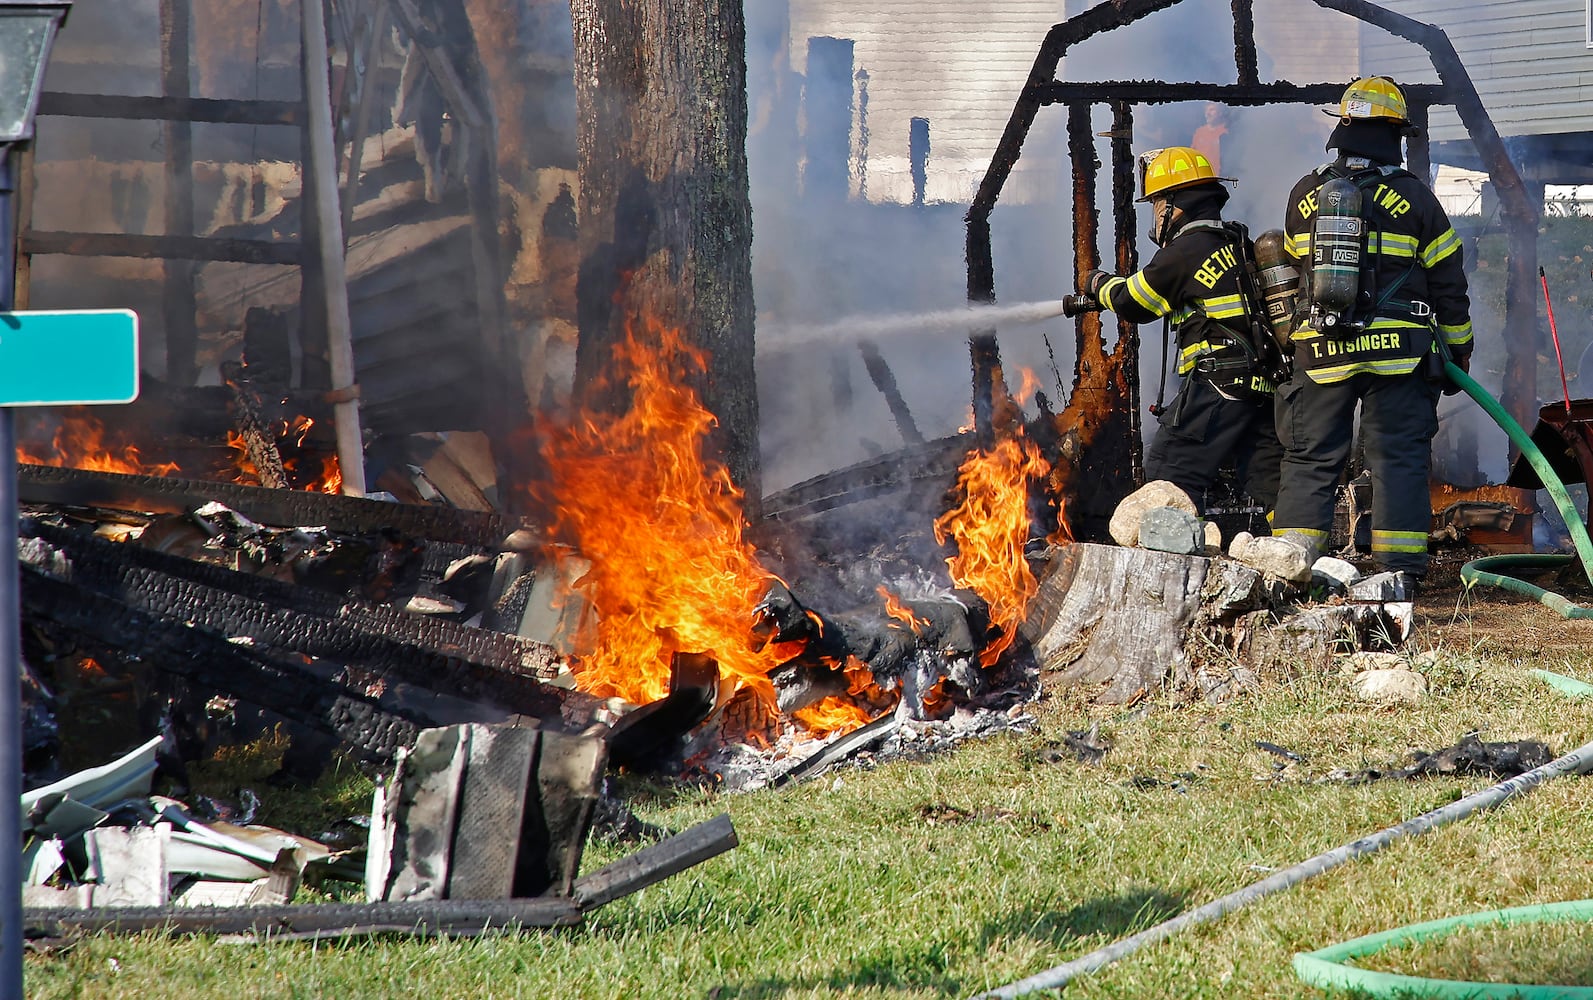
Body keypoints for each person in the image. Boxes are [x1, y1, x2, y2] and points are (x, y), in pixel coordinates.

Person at [1270, 76, 1472, 587]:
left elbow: (1296, 273)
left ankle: (1295, 571)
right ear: (1394, 135)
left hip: (1323, 347)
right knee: (1397, 459)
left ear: (1343, 128)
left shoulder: (1306, 193)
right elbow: (1448, 282)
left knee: (1311, 457)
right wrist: (1459, 351)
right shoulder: (1417, 199)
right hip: (1398, 355)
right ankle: (1398, 574)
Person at [1079, 145, 1287, 516]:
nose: (1156, 214)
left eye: (1157, 203)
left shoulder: (1186, 249)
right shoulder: (1236, 242)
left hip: (1218, 385)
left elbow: (1133, 301)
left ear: (1174, 202)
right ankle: (1293, 556)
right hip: (1263, 388)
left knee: (1168, 474)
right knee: (1268, 481)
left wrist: (1097, 283)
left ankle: (1167, 563)